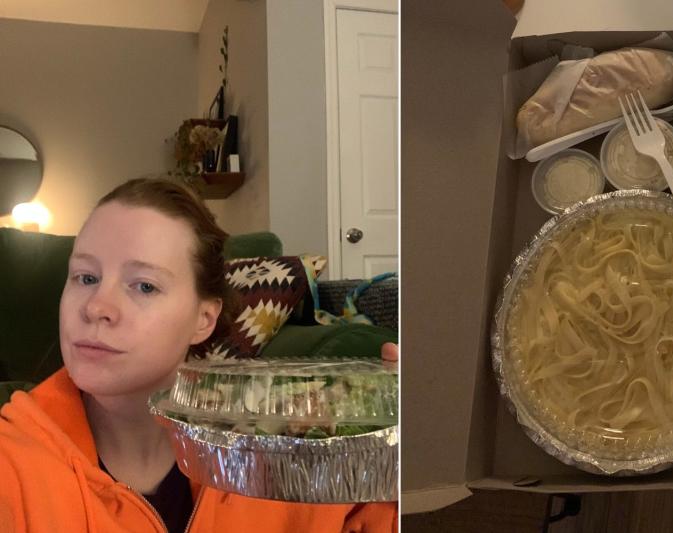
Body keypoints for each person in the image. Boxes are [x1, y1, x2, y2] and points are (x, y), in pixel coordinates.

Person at [0, 178, 397, 532]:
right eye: (86, 277)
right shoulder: (14, 462)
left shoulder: (283, 445)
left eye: (143, 286)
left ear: (204, 318)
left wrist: (402, 443)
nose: (95, 307)